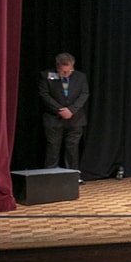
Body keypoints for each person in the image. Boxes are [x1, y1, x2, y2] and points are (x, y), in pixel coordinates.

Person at [38, 52, 89, 182]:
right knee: (53, 148)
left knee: (72, 149)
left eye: (68, 71)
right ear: (57, 67)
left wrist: (71, 110)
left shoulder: (80, 77)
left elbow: (84, 94)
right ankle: (49, 177)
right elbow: (44, 95)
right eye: (63, 71)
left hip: (75, 119)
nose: (66, 73)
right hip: (54, 119)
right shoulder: (47, 76)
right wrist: (60, 110)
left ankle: (73, 176)